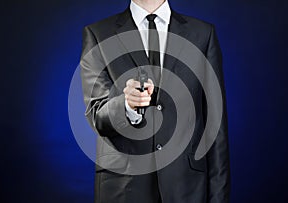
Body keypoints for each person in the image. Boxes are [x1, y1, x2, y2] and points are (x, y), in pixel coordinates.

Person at [80, 0, 230, 202]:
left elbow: (215, 126)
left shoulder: (203, 34)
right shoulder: (98, 34)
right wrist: (126, 105)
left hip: (187, 189)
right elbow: (97, 115)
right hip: (123, 190)